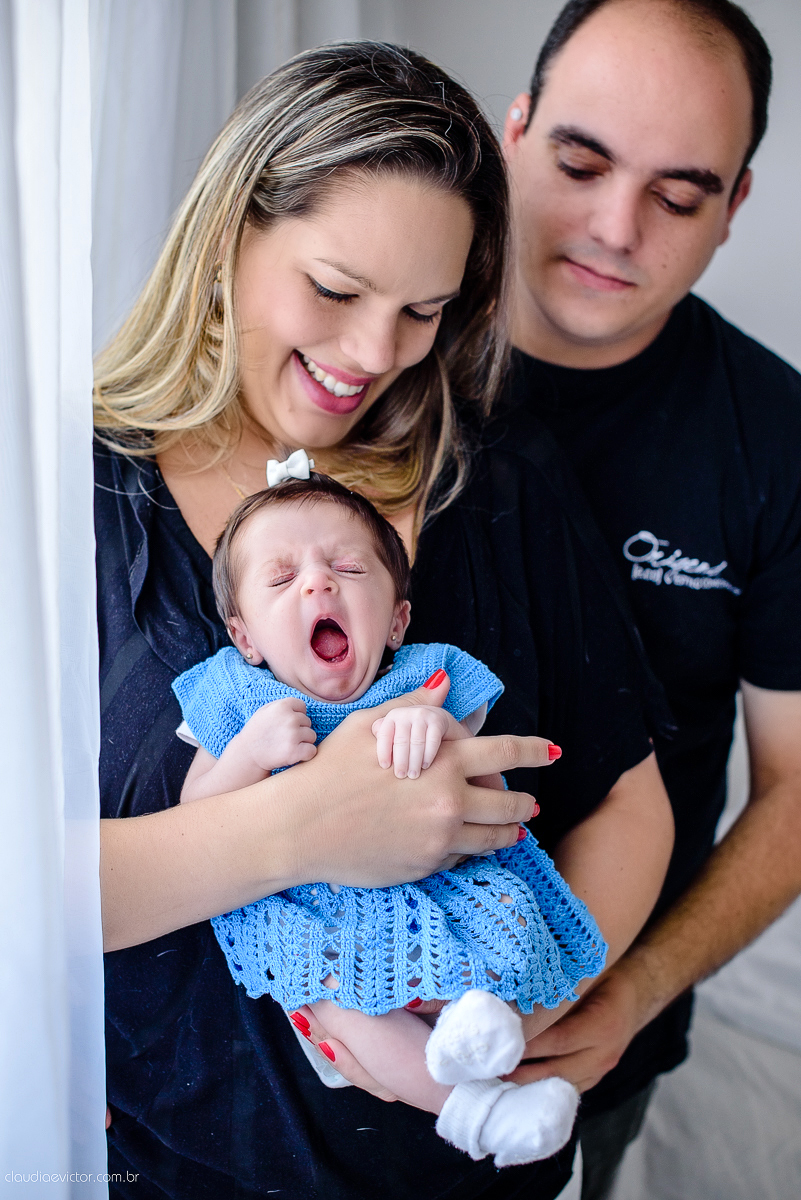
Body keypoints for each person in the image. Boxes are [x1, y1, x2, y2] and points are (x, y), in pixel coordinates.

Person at [94, 41, 673, 1199]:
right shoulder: (78, 500)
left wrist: (510, 1011)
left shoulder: (499, 476)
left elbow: (627, 796)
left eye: (424, 311)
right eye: (337, 291)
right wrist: (308, 828)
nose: (373, 356)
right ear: (231, 235)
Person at [499, 1, 801, 1197]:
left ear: (734, 210)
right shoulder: (375, 350)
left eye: (679, 197)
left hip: (602, 1036)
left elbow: (796, 785)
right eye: (580, 163)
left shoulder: (772, 442)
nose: (616, 228)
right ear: (513, 132)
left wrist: (640, 987)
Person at [172, 469, 608, 1167]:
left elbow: (487, 798)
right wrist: (248, 756)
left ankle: (482, 1026)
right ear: (243, 635)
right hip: (313, 913)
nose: (318, 584)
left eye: (345, 567)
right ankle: (479, 1113)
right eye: (281, 581)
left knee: (508, 913)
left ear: (398, 619)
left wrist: (441, 740)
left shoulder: (427, 682)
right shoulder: (234, 697)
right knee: (343, 1007)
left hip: (435, 888)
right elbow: (192, 822)